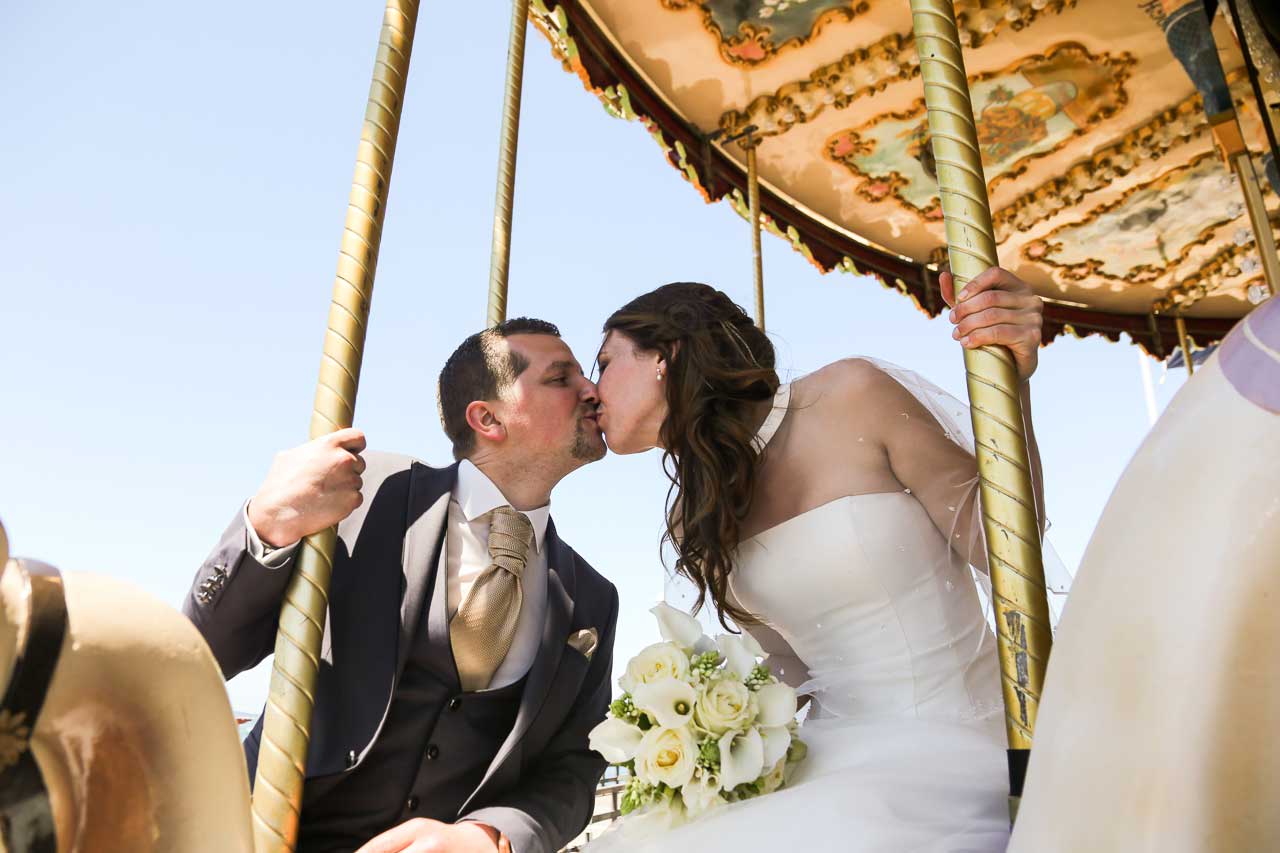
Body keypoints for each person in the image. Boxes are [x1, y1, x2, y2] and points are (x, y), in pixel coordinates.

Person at [588, 269, 1045, 851]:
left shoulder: (851, 396)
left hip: (963, 737)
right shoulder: (696, 516)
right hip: (837, 751)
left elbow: (1007, 544)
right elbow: (790, 672)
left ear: (664, 356)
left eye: (604, 363)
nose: (591, 388)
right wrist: (697, 728)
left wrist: (1013, 382)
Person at [183, 318, 619, 853]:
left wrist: (490, 837)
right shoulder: (362, 493)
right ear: (488, 418)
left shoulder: (593, 599)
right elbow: (201, 653)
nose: (593, 391)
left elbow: (573, 764)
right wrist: (265, 524)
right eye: (561, 378)